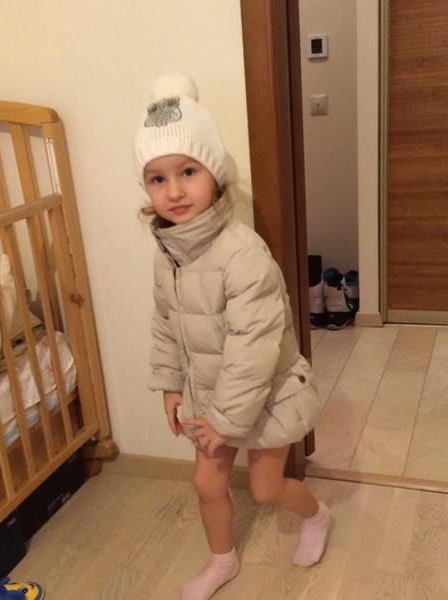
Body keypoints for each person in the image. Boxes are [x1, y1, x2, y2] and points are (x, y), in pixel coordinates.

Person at [134, 72, 331, 600]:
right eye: (157, 178)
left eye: (188, 172)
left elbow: (254, 350)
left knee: (265, 489)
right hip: (209, 393)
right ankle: (222, 560)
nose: (174, 191)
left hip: (267, 394)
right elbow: (166, 321)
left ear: (214, 174)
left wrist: (225, 422)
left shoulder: (243, 253)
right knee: (206, 483)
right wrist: (170, 383)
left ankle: (317, 515)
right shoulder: (168, 253)